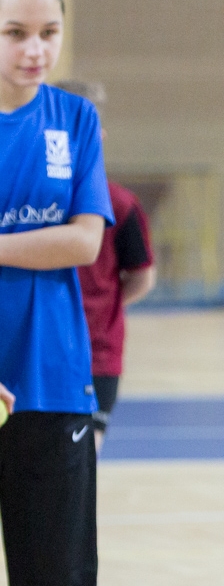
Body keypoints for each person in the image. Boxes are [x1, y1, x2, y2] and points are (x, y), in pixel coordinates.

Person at [0, 0, 126, 586]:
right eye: (15, 33)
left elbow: (84, 240)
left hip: (51, 383)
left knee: (60, 581)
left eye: (49, 32)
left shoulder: (73, 120)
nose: (36, 49)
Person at [54, 80, 155, 452]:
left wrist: (102, 307)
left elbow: (141, 277)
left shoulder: (121, 204)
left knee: (83, 459)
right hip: (38, 349)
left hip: (96, 355)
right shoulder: (28, 199)